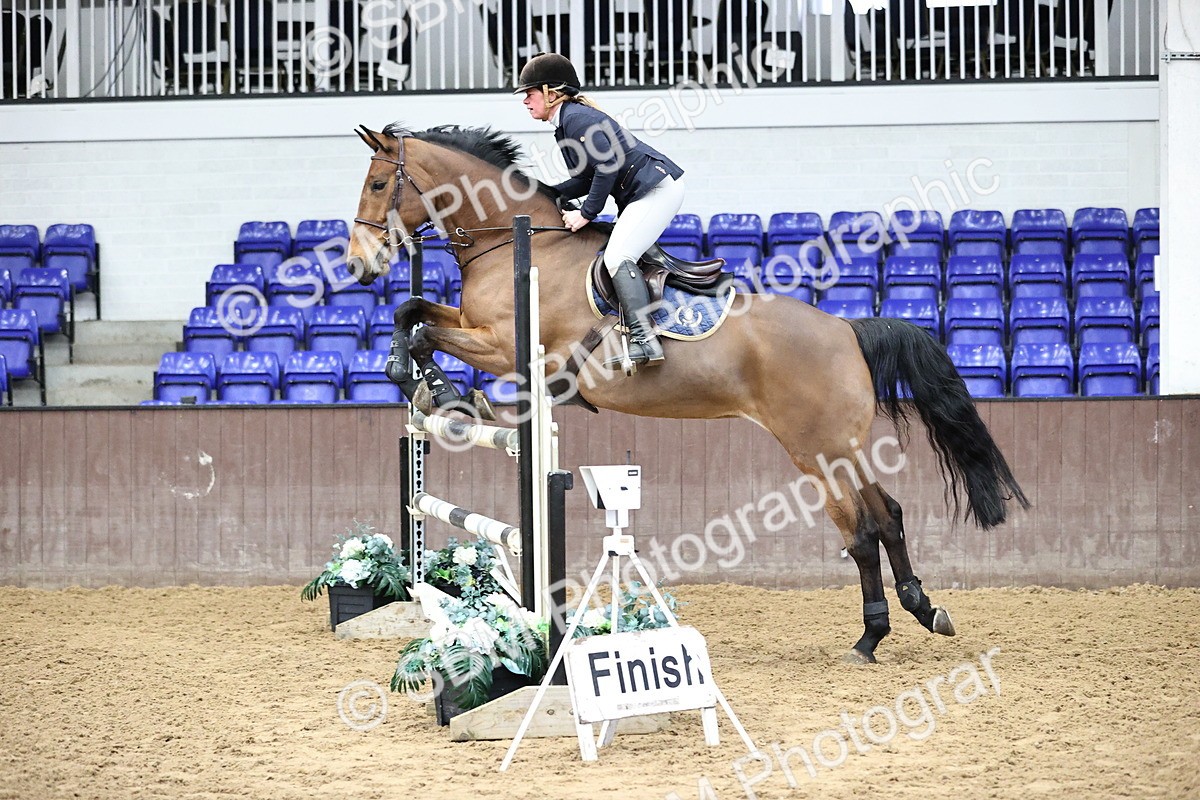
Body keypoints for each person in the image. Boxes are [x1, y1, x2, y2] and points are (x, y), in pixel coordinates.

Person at [514, 52, 685, 368]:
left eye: (530, 92)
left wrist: (586, 214)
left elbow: (607, 168)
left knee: (617, 257)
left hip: (657, 190)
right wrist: (543, 195)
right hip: (645, 192)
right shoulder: (565, 124)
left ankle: (644, 340)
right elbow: (584, 179)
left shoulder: (577, 119)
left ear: (551, 92)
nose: (525, 101)